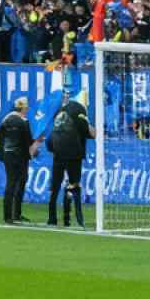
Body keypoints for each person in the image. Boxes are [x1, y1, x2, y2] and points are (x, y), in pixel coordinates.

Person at [45, 95, 92, 228]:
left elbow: (50, 140)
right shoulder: (80, 113)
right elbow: (91, 133)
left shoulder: (59, 113)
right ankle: (75, 218)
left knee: (55, 188)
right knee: (73, 186)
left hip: (58, 155)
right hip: (73, 156)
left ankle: (52, 218)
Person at [0, 97, 32, 224]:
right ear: (23, 108)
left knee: (10, 183)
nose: (27, 110)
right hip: (20, 157)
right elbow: (28, 140)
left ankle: (7, 215)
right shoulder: (23, 121)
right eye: (26, 108)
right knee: (20, 183)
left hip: (8, 156)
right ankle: (16, 214)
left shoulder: (6, 120)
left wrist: (0, 153)